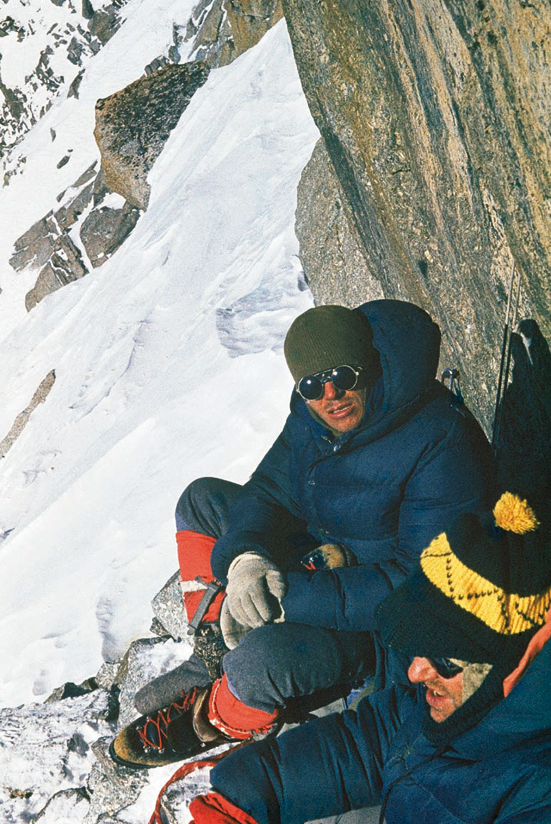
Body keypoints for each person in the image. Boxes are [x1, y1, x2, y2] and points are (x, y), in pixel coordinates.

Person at [110, 300, 495, 769]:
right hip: (323, 560)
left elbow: (417, 583)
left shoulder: (437, 440)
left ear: (368, 367)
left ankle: (216, 720)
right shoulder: (312, 419)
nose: (331, 394)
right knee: (201, 501)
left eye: (345, 376)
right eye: (313, 384)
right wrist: (246, 562)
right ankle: (217, 644)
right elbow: (267, 492)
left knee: (261, 663)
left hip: (378, 627)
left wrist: (285, 598)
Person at [187, 489, 551, 824]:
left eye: (446, 661)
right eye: (419, 648)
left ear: (521, 657)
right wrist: (239, 792)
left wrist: (290, 598)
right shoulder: (458, 701)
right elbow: (368, 747)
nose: (415, 671)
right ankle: (211, 717)